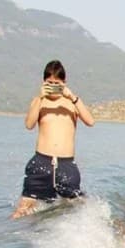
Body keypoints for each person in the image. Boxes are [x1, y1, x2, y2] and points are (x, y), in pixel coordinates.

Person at [12, 60, 95, 218]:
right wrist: (39, 97)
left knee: (78, 206)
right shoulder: (39, 101)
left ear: (64, 83)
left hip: (66, 164)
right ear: (43, 82)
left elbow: (90, 121)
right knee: (22, 209)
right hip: (41, 163)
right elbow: (29, 124)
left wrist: (72, 97)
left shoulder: (72, 102)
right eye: (49, 83)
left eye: (57, 84)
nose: (53, 87)